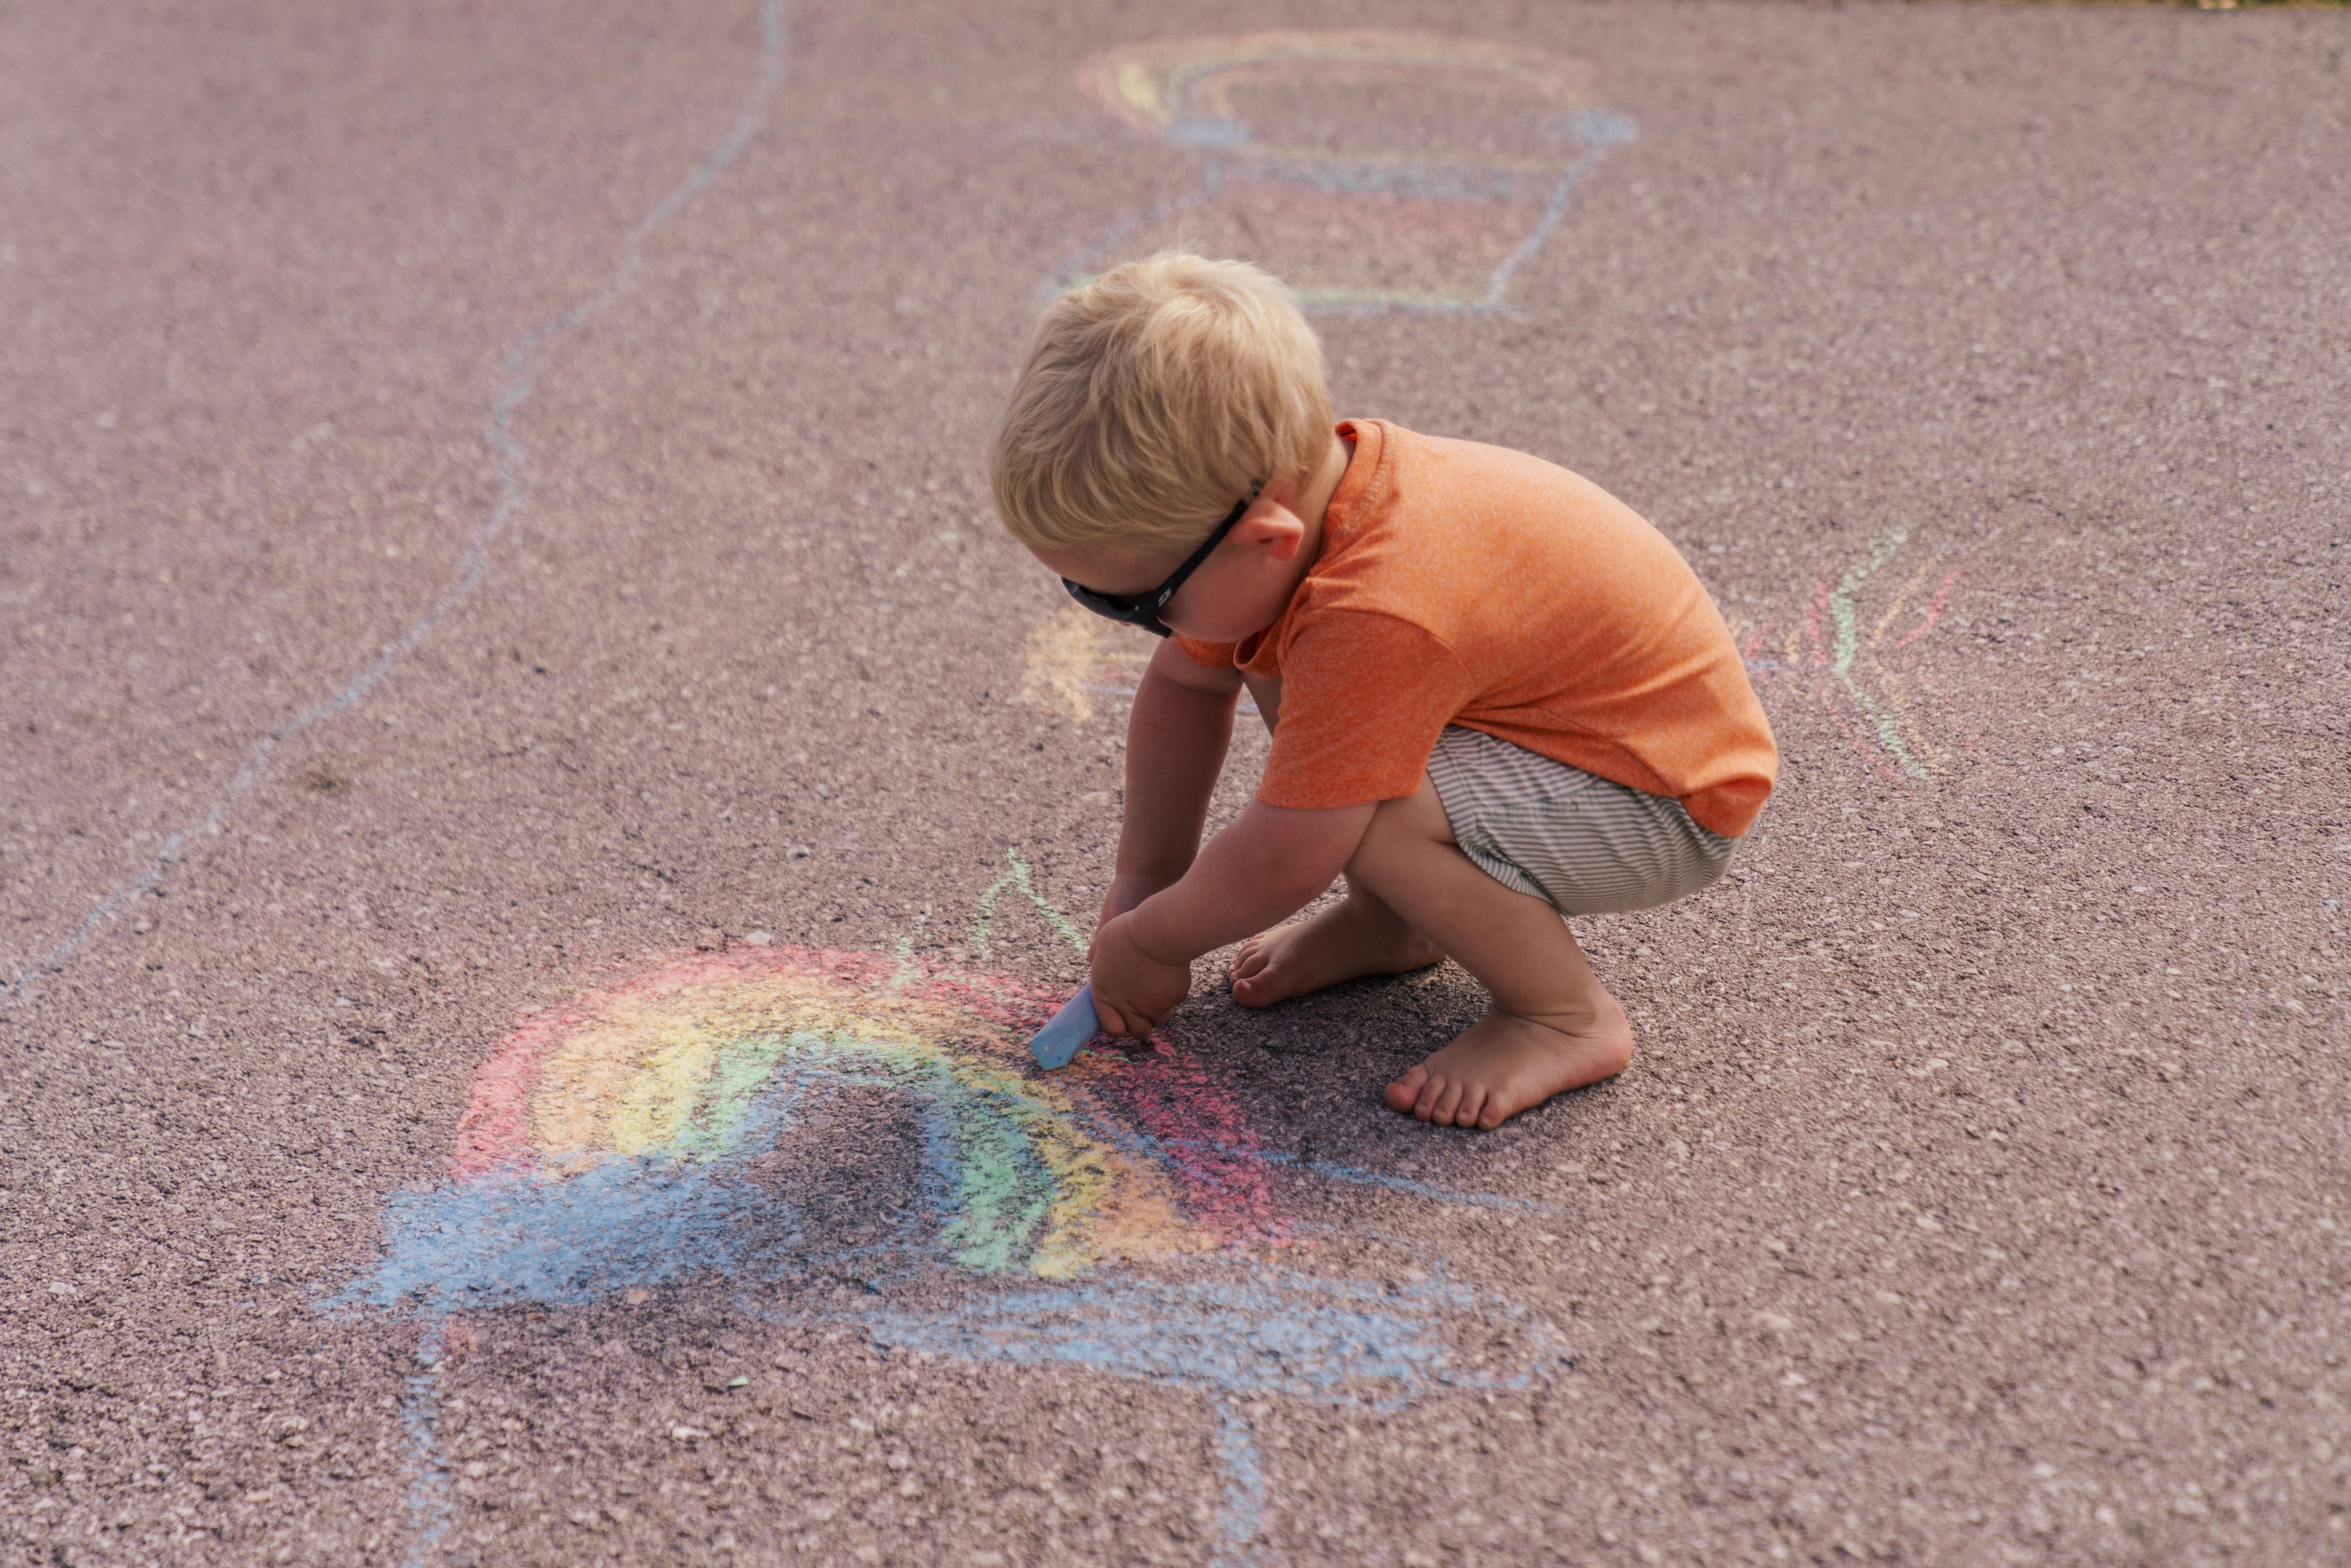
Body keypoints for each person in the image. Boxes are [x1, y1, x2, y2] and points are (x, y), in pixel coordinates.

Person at [989, 253, 1777, 1129]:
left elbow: (1291, 852)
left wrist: (1154, 941)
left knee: (1364, 813)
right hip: (1565, 735)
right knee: (1281, 680)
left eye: (1137, 603)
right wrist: (1145, 880)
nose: (1129, 622)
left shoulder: (1375, 610)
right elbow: (1186, 688)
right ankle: (1396, 924)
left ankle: (1563, 1016)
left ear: (1264, 535)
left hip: (1662, 797)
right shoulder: (1307, 507)